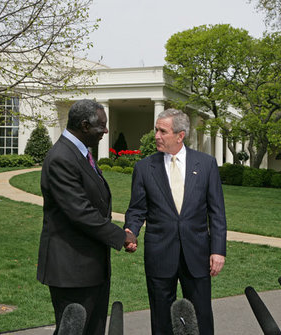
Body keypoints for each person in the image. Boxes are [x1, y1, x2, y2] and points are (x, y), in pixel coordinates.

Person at [36, 99, 137, 335]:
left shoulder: (80, 154)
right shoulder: (62, 157)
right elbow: (80, 211)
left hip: (90, 268)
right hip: (71, 271)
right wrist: (120, 236)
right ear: (84, 126)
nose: (105, 131)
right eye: (101, 125)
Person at [124, 108, 227, 335]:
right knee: (161, 319)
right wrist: (130, 231)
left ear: (180, 135)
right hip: (160, 255)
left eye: (163, 131)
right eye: (156, 130)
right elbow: (137, 209)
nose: (157, 136)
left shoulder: (207, 164)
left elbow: (217, 212)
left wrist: (218, 250)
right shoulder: (144, 168)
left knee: (201, 317)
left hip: (197, 254)